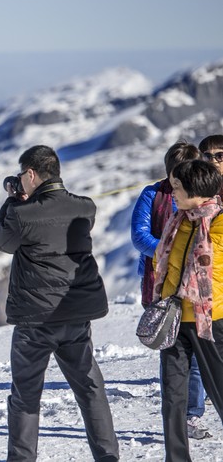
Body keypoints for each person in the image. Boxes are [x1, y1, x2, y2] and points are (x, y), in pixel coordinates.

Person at [0, 145, 119, 461]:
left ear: (30, 174)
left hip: (36, 321)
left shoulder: (22, 214)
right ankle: (108, 456)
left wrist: (12, 200)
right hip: (75, 316)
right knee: (90, 389)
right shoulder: (86, 208)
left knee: (26, 396)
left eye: (22, 175)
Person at [131, 140, 211, 440]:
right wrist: (171, 252)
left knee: (195, 356)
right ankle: (183, 414)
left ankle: (191, 411)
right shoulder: (153, 195)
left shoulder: (206, 198)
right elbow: (139, 236)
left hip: (201, 288)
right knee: (175, 352)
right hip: (161, 286)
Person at [155, 159, 223, 460]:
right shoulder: (179, 219)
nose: (173, 191)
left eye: (178, 187)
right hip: (175, 320)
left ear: (195, 190)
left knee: (220, 393)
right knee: (173, 397)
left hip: (211, 321)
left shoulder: (219, 222)